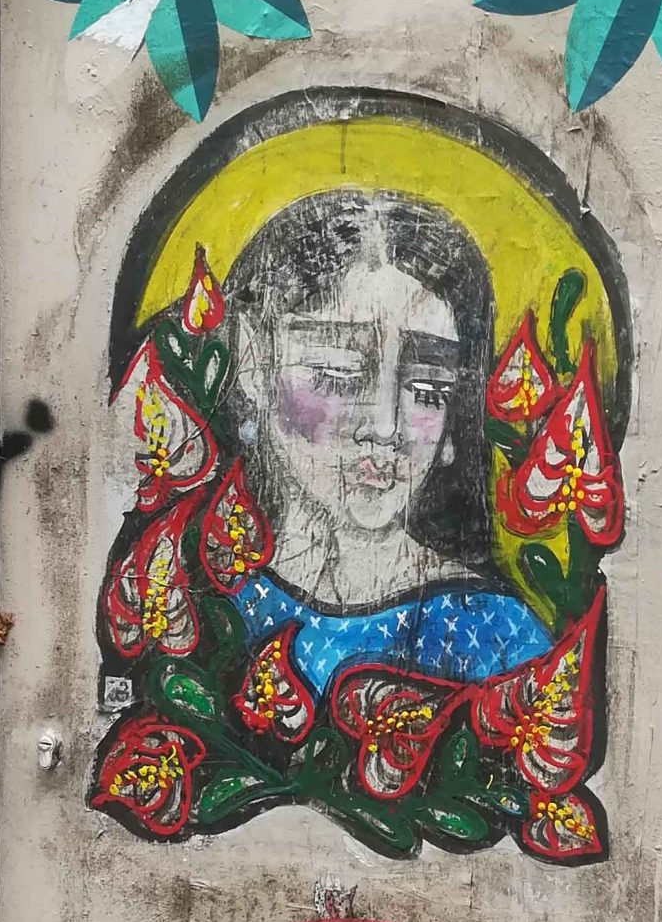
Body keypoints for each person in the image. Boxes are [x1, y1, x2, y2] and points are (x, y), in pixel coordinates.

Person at [221, 189, 552, 693]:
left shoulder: (497, 635)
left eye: (428, 390)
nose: (384, 425)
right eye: (337, 371)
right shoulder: (192, 606)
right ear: (253, 361)